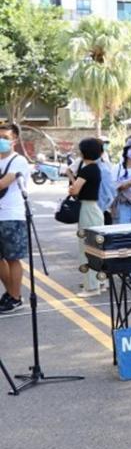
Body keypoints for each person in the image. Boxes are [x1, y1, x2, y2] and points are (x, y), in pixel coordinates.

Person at [0, 123, 30, 314]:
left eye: (5, 137)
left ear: (15, 140)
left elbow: (3, 183)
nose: (1, 140)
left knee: (12, 259)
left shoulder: (18, 161)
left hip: (12, 215)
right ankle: (10, 293)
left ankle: (15, 296)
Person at [70, 137, 105, 296]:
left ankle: (91, 287)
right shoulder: (95, 168)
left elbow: (75, 190)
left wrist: (71, 179)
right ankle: (100, 281)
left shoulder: (86, 169)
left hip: (87, 208)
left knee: (87, 248)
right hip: (94, 208)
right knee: (96, 248)